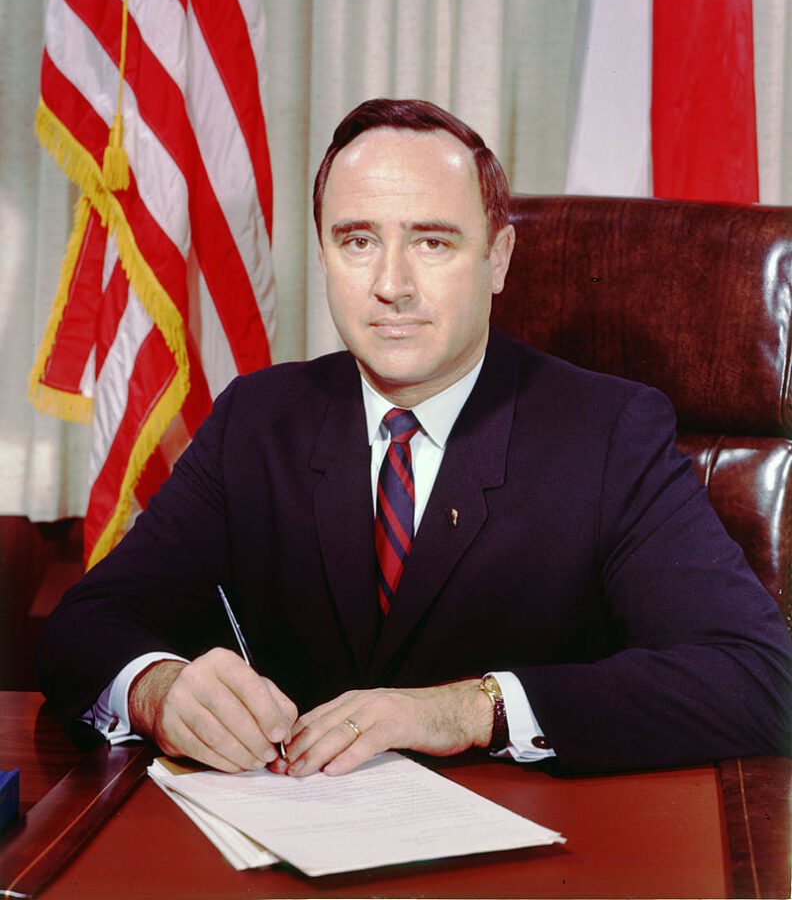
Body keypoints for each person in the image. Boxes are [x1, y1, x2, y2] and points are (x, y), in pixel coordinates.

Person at [38, 99, 792, 778]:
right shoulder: (259, 418)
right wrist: (157, 690)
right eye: (357, 241)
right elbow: (84, 624)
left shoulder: (607, 435)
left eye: (432, 243)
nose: (390, 284)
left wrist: (465, 711)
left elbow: (760, 678)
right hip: (289, 852)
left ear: (497, 260)